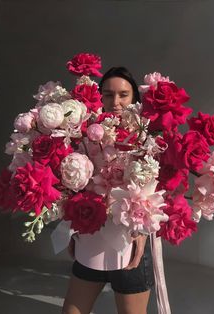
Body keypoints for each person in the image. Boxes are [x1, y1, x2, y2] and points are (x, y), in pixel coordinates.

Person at [62, 67, 154, 314]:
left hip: (130, 240)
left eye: (123, 95)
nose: (116, 102)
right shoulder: (86, 135)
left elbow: (156, 191)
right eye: (108, 94)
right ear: (99, 97)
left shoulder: (147, 137)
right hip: (92, 237)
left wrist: (143, 232)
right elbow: (75, 186)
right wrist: (73, 227)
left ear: (134, 97)